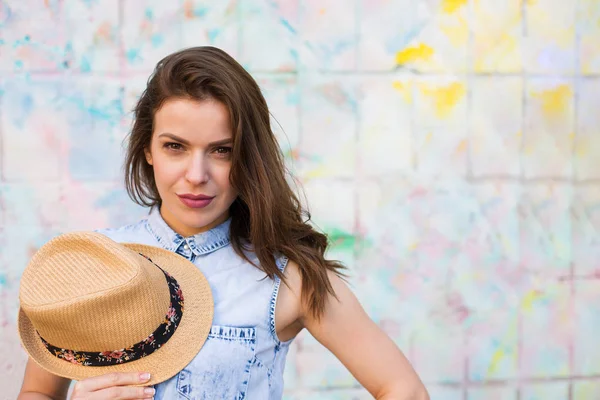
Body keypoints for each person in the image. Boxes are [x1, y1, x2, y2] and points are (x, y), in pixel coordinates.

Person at [18, 46, 429, 400]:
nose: (197, 174)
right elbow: (37, 391)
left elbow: (404, 390)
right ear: (147, 148)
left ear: (247, 156)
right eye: (175, 147)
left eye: (221, 150)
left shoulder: (289, 278)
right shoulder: (89, 264)